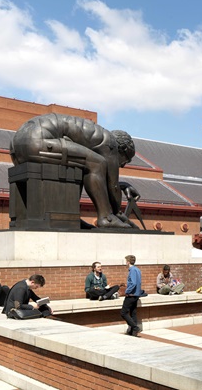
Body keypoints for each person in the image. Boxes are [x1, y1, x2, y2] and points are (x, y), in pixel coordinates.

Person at [9, 113, 137, 229]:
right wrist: (118, 213)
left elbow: (102, 181)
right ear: (123, 150)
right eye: (125, 161)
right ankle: (106, 218)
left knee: (83, 163)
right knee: (97, 163)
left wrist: (122, 186)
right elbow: (112, 185)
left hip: (17, 143)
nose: (122, 166)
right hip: (38, 140)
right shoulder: (110, 143)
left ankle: (71, 218)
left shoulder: (97, 136)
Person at [121, 255, 143, 336]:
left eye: (126, 261)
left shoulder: (132, 270)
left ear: (128, 262)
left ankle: (135, 327)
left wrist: (127, 291)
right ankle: (133, 332)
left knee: (123, 312)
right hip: (136, 294)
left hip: (131, 294)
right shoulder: (137, 269)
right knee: (133, 313)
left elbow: (133, 283)